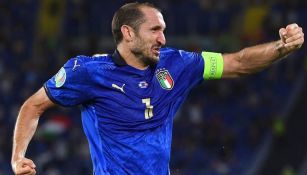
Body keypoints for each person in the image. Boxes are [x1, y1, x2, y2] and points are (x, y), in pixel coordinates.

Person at [11, 2, 304, 175]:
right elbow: (32, 106)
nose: (163, 38)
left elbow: (237, 62)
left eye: (163, 30)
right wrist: (17, 158)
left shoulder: (178, 64)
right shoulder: (87, 72)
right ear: (128, 33)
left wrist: (281, 47)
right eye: (155, 30)